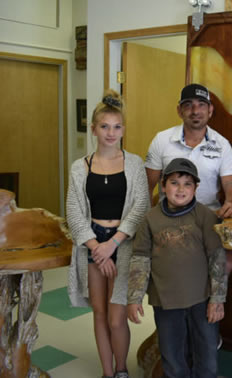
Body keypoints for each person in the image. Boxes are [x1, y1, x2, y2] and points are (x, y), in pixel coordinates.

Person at [66, 89, 150, 378]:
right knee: (99, 313)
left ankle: (121, 368)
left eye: (116, 127)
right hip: (92, 244)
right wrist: (96, 247)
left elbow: (141, 207)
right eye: (104, 127)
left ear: (123, 129)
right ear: (93, 129)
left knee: (117, 317)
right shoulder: (80, 167)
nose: (110, 133)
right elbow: (74, 212)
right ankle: (107, 372)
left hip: (123, 243)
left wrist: (112, 243)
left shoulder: (135, 164)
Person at [127, 158, 227, 378]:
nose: (180, 189)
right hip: (165, 302)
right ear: (163, 185)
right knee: (172, 359)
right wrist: (134, 298)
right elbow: (140, 259)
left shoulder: (205, 216)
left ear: (196, 188)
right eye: (174, 182)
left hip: (202, 300)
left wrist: (217, 299)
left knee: (207, 357)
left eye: (187, 184)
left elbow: (217, 258)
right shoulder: (150, 220)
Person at [145, 83, 232, 276]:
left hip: (208, 219)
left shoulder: (222, 145)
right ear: (179, 110)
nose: (195, 111)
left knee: (227, 259)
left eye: (201, 104)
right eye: (188, 105)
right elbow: (145, 188)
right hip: (169, 219)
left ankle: (214, 304)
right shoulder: (161, 140)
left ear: (210, 110)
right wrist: (150, 226)